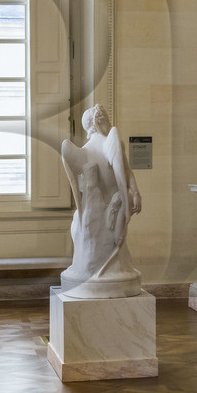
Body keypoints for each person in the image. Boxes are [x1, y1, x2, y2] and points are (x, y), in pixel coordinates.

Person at [58, 105, 143, 299]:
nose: (108, 122)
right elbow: (126, 172)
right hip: (101, 206)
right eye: (104, 118)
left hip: (109, 204)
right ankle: (90, 268)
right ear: (97, 122)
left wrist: (134, 194)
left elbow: (125, 171)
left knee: (97, 233)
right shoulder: (109, 141)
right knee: (89, 234)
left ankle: (98, 268)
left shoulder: (84, 150)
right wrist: (135, 193)